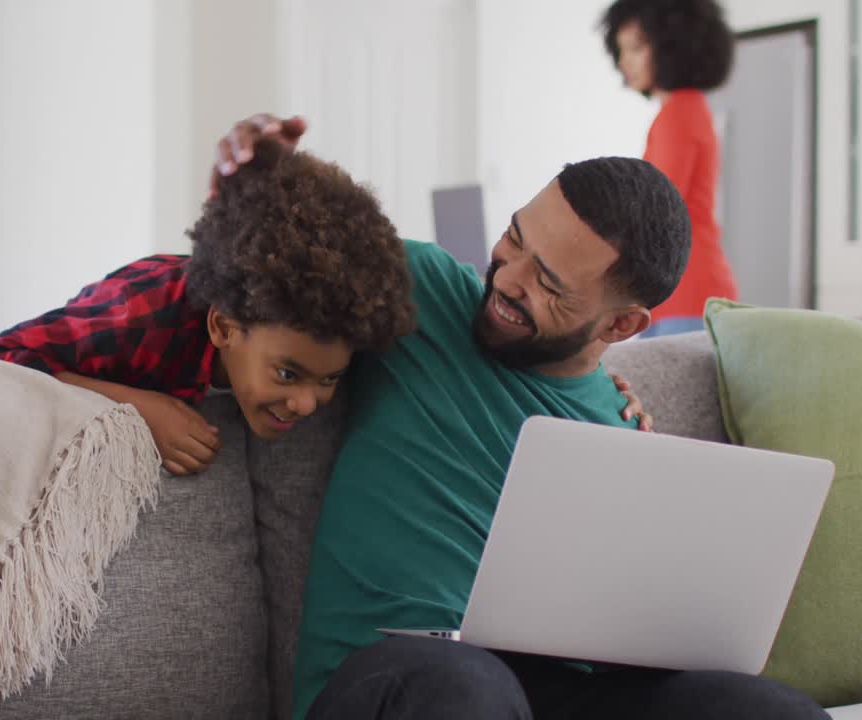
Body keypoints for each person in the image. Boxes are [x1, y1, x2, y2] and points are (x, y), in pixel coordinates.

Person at [213, 115, 828, 720]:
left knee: (754, 706)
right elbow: (256, 275)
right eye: (515, 238)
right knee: (467, 685)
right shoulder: (418, 290)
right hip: (400, 678)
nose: (507, 279)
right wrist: (249, 181)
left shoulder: (624, 434)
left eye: (549, 284)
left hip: (554, 691)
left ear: (620, 325)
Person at [0, 140, 416, 476]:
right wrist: (139, 411)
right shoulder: (141, 311)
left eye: (328, 379)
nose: (305, 403)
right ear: (223, 327)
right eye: (287, 374)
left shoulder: (327, 333)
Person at [604, 0, 739, 337]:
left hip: (685, 293)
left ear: (671, 48)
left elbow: (653, 209)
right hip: (685, 291)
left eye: (636, 48)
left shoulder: (678, 113)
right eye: (621, 50)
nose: (624, 62)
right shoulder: (688, 108)